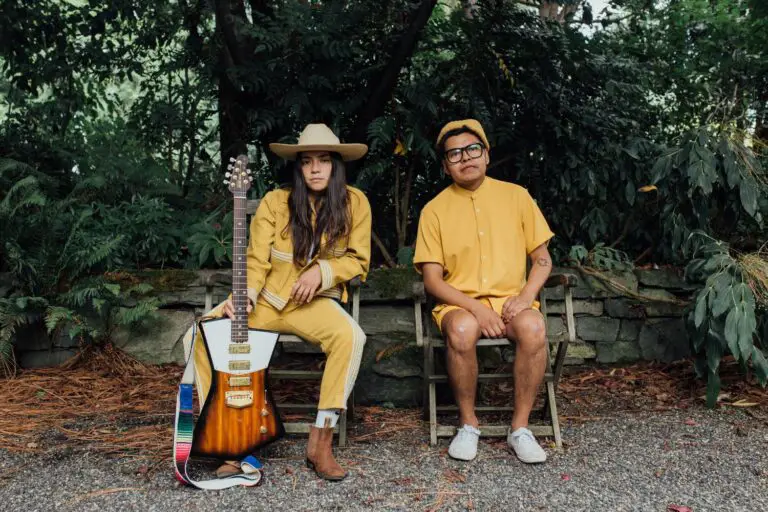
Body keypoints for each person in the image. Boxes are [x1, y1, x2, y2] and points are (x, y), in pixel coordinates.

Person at [203, 123, 371, 481]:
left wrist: (322, 272)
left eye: (323, 160)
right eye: (307, 161)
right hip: (265, 299)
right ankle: (228, 435)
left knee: (351, 337)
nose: (314, 168)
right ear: (297, 166)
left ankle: (321, 440)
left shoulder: (355, 202)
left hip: (312, 304)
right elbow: (255, 259)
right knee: (199, 338)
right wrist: (243, 295)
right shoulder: (275, 202)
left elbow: (358, 260)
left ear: (336, 165)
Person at [413, 119, 554, 464]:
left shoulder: (516, 196)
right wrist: (477, 309)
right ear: (446, 166)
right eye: (455, 154)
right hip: (458, 303)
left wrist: (523, 298)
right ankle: (468, 424)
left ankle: (519, 428)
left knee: (534, 328)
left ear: (487, 155)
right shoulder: (434, 210)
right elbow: (433, 281)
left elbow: (543, 260)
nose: (466, 158)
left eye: (473, 149)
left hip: (512, 301)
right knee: (462, 331)